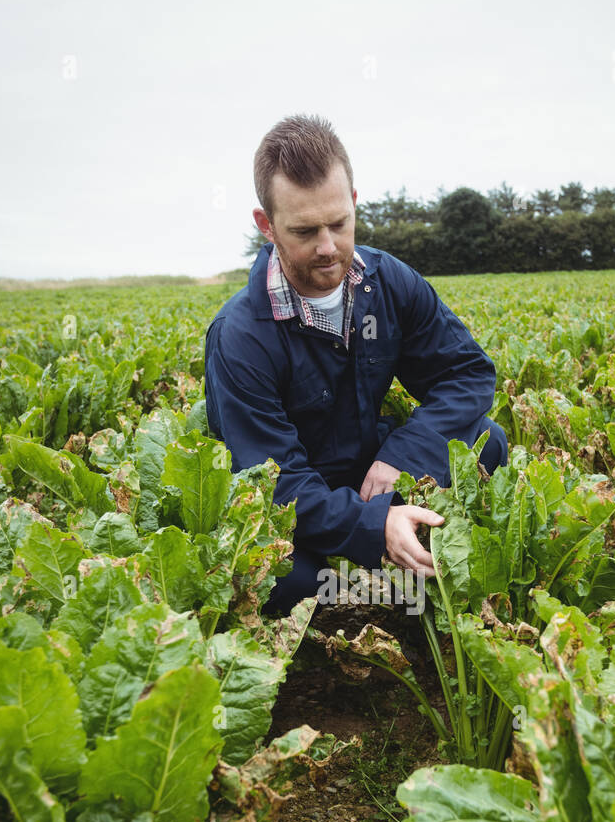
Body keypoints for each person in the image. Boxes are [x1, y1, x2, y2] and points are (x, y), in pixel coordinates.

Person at [204, 113, 508, 613]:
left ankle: (389, 570)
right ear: (266, 225)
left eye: (339, 224)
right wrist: (373, 523)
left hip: (375, 469)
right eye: (304, 231)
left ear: (354, 203)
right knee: (282, 578)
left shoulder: (389, 282)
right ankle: (383, 582)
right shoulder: (241, 336)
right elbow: (272, 483)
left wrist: (406, 456)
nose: (328, 249)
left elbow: (467, 374)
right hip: (307, 501)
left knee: (486, 443)